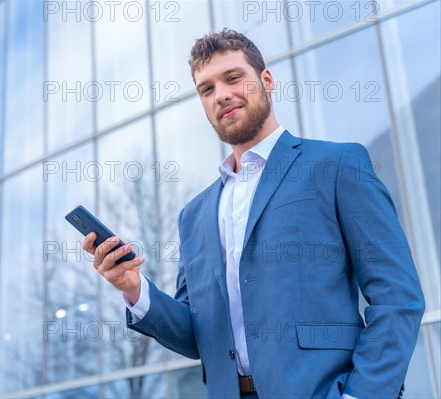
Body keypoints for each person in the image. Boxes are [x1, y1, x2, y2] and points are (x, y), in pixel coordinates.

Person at [82, 29, 425, 398]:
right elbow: (198, 335)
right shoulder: (194, 215)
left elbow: (397, 297)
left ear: (266, 80)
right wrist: (134, 288)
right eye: (207, 89)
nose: (222, 95)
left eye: (233, 78)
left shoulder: (337, 165)